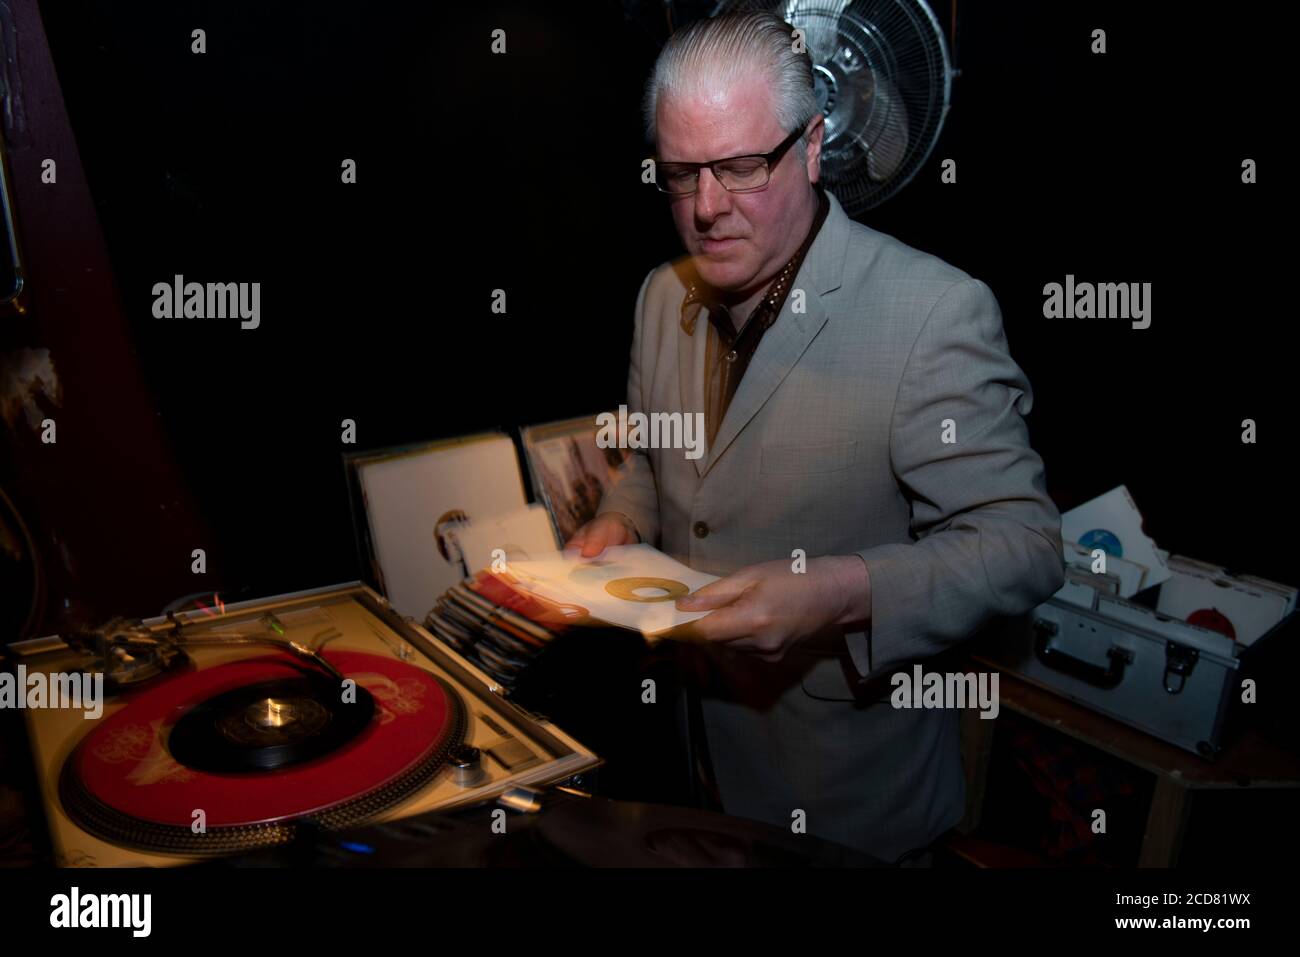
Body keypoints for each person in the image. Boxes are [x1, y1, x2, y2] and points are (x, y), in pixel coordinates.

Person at [567, 11, 1065, 864]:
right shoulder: (659, 294)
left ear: (812, 145)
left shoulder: (932, 311)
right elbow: (655, 464)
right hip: (688, 770)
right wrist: (623, 516)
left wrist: (837, 593)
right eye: (681, 174)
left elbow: (1024, 546)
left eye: (741, 166)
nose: (707, 208)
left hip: (848, 810)